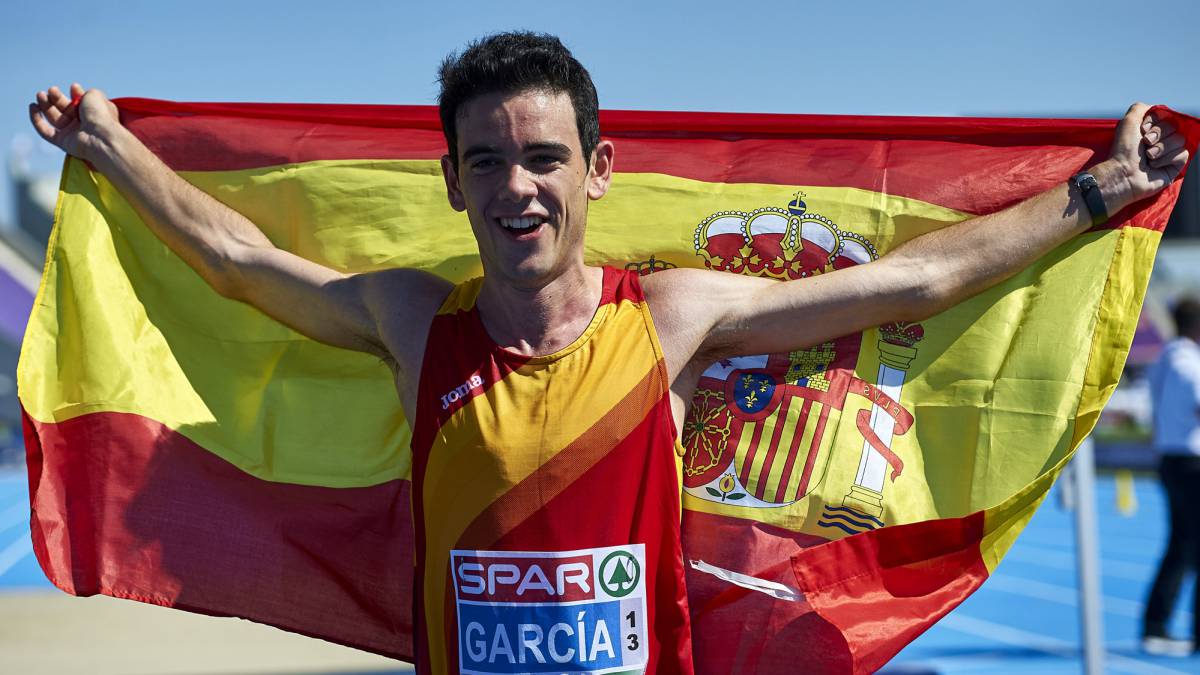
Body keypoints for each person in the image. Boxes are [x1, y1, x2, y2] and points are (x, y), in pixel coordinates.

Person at [28, 31, 1190, 675]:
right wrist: (113, 147)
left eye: (541, 156)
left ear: (598, 169)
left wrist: (1100, 193)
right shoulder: (409, 320)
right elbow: (237, 259)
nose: (516, 185)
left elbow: (913, 279)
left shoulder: (670, 317)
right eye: (485, 160)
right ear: (451, 182)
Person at [1143, 297, 1200, 657]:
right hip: (1191, 464)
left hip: (1173, 461)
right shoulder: (1187, 363)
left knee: (1179, 547)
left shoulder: (1165, 359)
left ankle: (1156, 623)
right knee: (1187, 548)